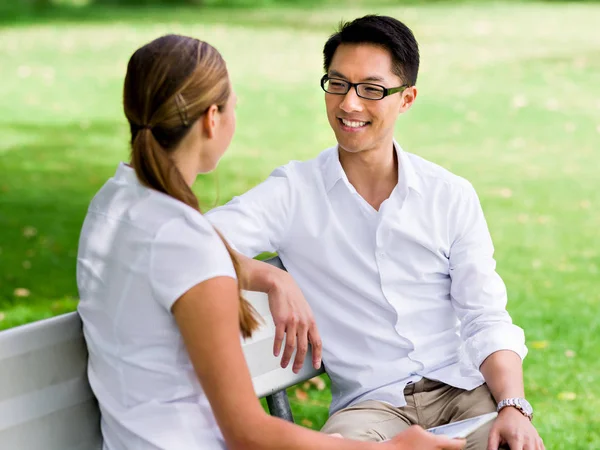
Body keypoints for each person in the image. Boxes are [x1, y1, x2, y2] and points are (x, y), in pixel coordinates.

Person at [76, 34, 465, 450]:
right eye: (233, 106)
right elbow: (248, 434)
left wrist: (269, 276)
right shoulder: (184, 241)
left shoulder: (112, 202)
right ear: (212, 119)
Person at [206, 15, 545, 450]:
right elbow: (191, 241)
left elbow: (486, 316)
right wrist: (270, 276)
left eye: (371, 88)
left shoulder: (450, 195)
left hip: (462, 391)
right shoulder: (293, 193)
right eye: (337, 83)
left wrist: (512, 406)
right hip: (370, 408)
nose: (349, 104)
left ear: (406, 99)